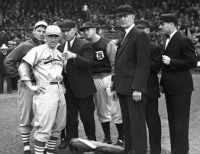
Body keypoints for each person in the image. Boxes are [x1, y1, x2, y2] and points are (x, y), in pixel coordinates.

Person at [18, 25, 66, 154]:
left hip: (59, 89)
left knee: (58, 126)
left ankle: (49, 152)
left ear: (59, 37)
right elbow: (23, 67)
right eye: (50, 36)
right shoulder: (37, 50)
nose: (53, 39)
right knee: (44, 127)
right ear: (45, 37)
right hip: (45, 90)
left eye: (56, 36)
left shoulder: (59, 53)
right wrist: (30, 85)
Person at [4, 21, 47, 154]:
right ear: (33, 31)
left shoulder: (48, 46)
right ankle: (26, 145)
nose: (41, 33)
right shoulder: (24, 46)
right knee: (26, 116)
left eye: (44, 31)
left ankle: (42, 144)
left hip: (43, 86)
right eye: (39, 30)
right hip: (27, 86)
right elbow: (8, 61)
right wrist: (19, 76)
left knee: (44, 116)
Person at [113, 4, 151, 154]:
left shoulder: (139, 34)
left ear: (133, 17)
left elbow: (143, 63)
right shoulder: (124, 35)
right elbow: (120, 64)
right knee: (127, 122)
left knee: (137, 123)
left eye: (125, 16)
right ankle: (129, 149)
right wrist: (116, 86)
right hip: (123, 87)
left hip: (133, 88)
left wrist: (138, 88)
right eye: (120, 17)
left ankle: (140, 151)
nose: (122, 19)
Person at [80, 21, 123, 146]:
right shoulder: (84, 45)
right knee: (102, 110)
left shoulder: (106, 43)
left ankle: (121, 137)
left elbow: (115, 63)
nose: (85, 32)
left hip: (109, 77)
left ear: (95, 29)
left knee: (116, 109)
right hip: (94, 79)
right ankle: (107, 138)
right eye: (84, 30)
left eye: (88, 29)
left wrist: (115, 81)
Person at [159, 13, 197, 154]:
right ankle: (177, 150)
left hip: (181, 87)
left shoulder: (183, 39)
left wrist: (172, 62)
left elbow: (192, 62)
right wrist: (162, 83)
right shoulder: (167, 39)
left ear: (171, 24)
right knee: (173, 120)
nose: (161, 26)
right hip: (171, 87)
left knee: (180, 121)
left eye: (163, 24)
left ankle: (181, 151)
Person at [57, 20, 97, 149]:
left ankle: (92, 143)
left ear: (74, 29)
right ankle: (73, 146)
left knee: (87, 118)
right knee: (70, 119)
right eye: (63, 31)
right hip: (67, 89)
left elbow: (89, 63)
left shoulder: (84, 44)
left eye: (68, 30)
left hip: (83, 88)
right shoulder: (60, 47)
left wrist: (74, 56)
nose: (65, 33)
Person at [136, 19, 162, 154]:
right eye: (137, 29)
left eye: (142, 30)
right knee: (137, 121)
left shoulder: (154, 47)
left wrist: (141, 63)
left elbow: (156, 68)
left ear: (147, 31)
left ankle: (156, 149)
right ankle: (140, 148)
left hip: (150, 89)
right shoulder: (131, 46)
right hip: (134, 89)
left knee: (152, 121)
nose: (139, 32)